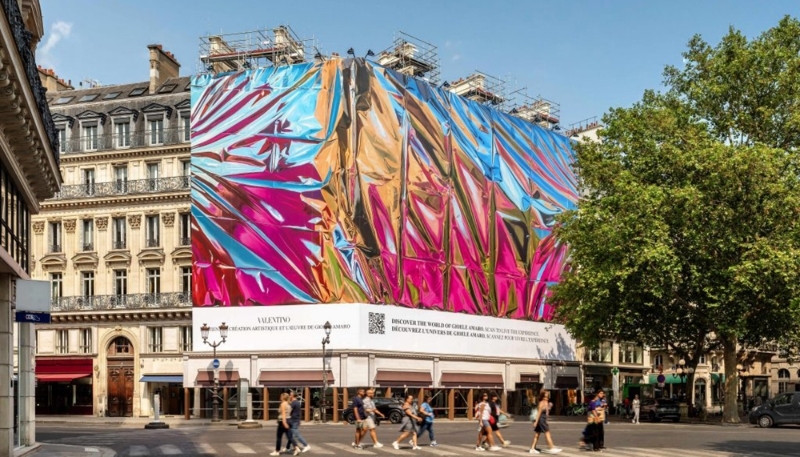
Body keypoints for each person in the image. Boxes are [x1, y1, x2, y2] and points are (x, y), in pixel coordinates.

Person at [528, 390, 562, 454]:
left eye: (548, 394)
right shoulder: (542, 402)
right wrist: (536, 422)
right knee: (547, 433)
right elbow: (539, 413)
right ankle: (552, 448)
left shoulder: (545, 401)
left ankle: (532, 448)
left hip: (542, 419)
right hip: (541, 420)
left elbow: (546, 412)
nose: (547, 395)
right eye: (546, 394)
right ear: (543, 395)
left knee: (537, 435)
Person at [271, 392, 298, 456]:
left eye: (281, 396)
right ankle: (296, 448)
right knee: (290, 437)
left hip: (283, 421)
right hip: (289, 420)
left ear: (283, 397)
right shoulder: (289, 404)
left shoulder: (283, 404)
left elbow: (283, 414)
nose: (280, 397)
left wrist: (284, 422)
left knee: (279, 437)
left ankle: (277, 451)